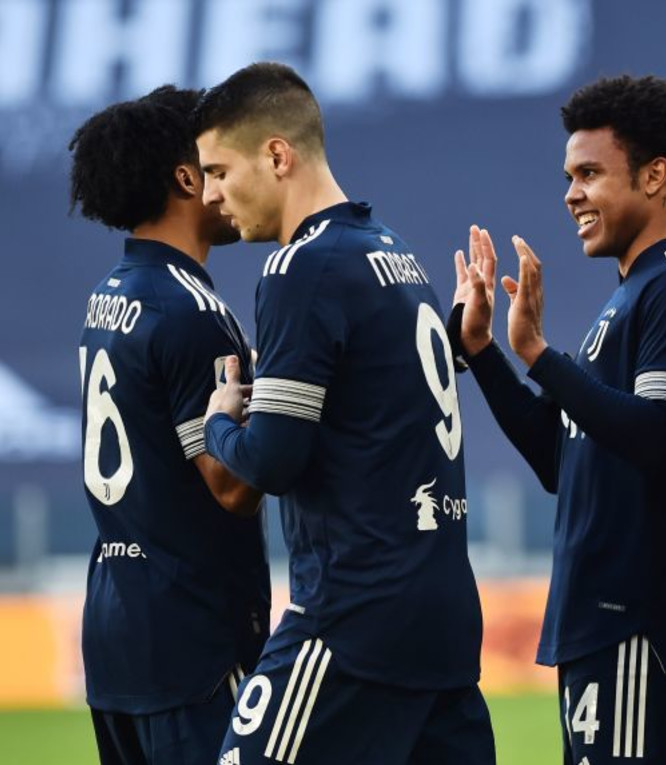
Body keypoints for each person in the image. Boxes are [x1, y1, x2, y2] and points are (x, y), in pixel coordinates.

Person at [195, 62, 493, 764]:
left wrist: (218, 423)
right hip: (443, 618)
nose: (209, 196)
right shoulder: (396, 256)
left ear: (277, 155)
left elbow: (272, 460)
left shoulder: (302, 267)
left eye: (218, 171)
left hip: (351, 619)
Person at [453, 74, 666, 764]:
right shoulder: (632, 294)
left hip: (637, 618)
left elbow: (659, 437)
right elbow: (559, 458)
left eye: (589, 174)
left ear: (654, 176)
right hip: (599, 624)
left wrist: (539, 355)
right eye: (569, 177)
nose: (571, 194)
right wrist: (484, 352)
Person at [70, 85, 270, 765]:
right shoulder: (191, 310)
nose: (226, 180)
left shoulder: (108, 295)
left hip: (115, 630)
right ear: (187, 179)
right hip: (194, 643)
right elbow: (231, 486)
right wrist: (293, 400)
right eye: (215, 164)